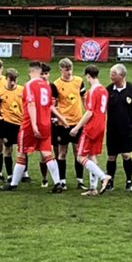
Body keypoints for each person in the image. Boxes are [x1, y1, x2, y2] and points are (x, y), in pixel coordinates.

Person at [0, 61, 63, 193]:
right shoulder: (46, 85)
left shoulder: (29, 85)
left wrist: (34, 125)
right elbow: (50, 105)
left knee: (21, 152)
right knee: (47, 153)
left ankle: (13, 184)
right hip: (46, 123)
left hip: (30, 124)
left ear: (31, 72)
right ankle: (57, 183)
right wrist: (62, 118)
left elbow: (31, 104)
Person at [70, 66, 110, 196]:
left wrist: (77, 128)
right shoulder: (104, 90)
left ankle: (103, 177)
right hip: (101, 125)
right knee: (92, 155)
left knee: (80, 157)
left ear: (87, 76)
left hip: (92, 126)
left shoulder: (93, 91)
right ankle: (93, 188)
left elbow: (89, 112)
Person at [105, 64, 132, 192]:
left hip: (127, 129)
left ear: (121, 76)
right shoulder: (108, 90)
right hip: (112, 129)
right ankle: (110, 181)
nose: (110, 76)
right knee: (111, 156)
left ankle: (129, 180)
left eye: (113, 74)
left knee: (126, 155)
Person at [51, 58, 85, 190]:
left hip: (77, 122)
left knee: (78, 151)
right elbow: (52, 105)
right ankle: (62, 180)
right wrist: (58, 118)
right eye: (66, 70)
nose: (69, 72)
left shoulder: (79, 81)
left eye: (70, 69)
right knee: (62, 152)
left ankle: (80, 180)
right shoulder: (56, 84)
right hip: (63, 124)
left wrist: (88, 112)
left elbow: (84, 98)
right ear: (61, 70)